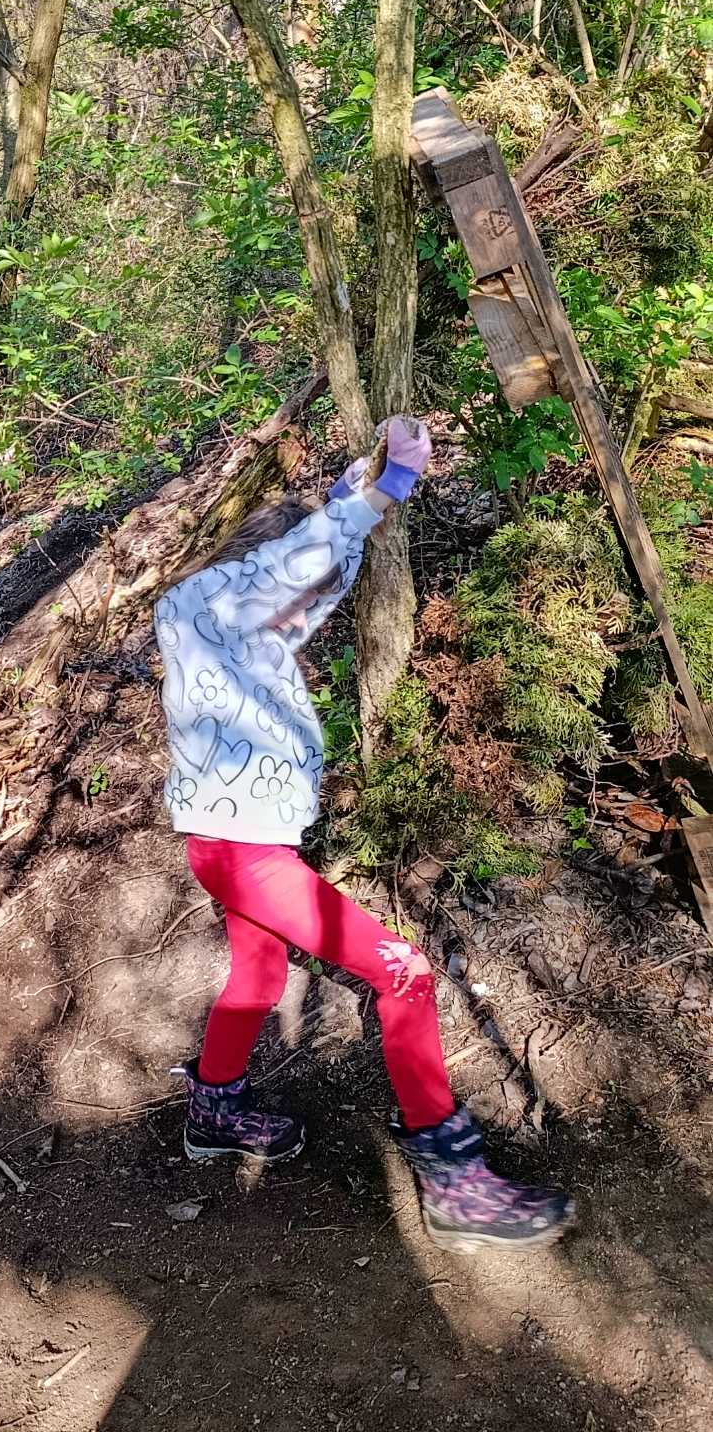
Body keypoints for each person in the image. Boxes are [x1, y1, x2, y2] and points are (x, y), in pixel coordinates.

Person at [155, 417, 574, 1252]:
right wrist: (388, 489)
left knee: (259, 972)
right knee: (402, 973)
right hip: (240, 853)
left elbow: (313, 576)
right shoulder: (200, 604)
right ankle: (453, 1181)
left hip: (242, 846)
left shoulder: (243, 627)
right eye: (295, 588)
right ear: (261, 563)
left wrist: (351, 499)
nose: (305, 613)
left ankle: (214, 1112)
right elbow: (292, 569)